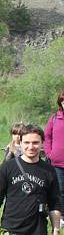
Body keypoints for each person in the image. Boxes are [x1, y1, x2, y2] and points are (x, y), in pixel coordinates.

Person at [43, 89, 64, 225]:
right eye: (63, 100)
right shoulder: (55, 118)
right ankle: (61, 216)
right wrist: (49, 153)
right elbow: (47, 137)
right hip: (57, 162)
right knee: (60, 190)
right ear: (60, 102)